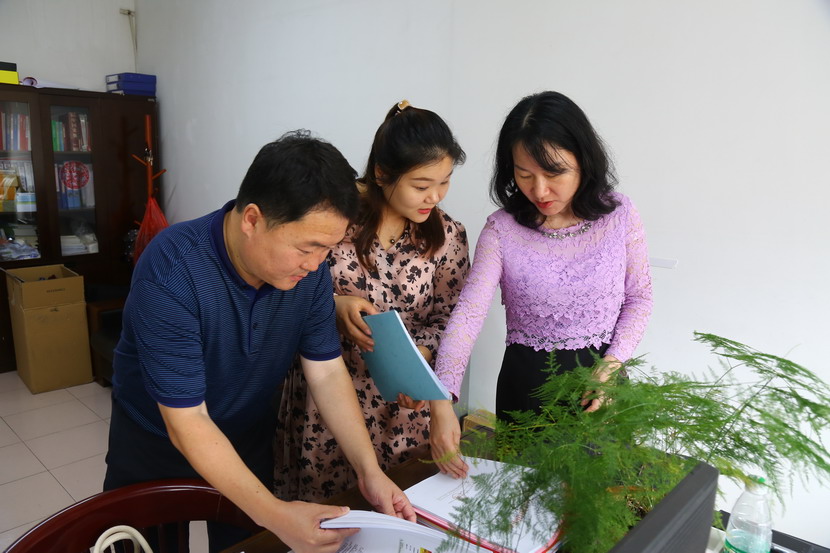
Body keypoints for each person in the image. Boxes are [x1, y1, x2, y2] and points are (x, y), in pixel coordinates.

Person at [104, 131, 415, 553]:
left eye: (327, 249)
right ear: (252, 219)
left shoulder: (308, 276)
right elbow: (188, 421)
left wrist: (368, 470)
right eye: (307, 247)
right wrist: (277, 514)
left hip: (245, 433)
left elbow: (326, 372)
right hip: (155, 440)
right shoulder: (172, 270)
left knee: (246, 544)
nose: (316, 264)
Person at [429, 91, 653, 478]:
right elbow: (468, 315)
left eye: (554, 173)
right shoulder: (501, 230)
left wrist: (611, 365)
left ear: (584, 160)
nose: (540, 190)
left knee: (602, 500)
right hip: (527, 393)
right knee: (523, 502)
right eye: (524, 174)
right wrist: (441, 399)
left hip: (599, 386)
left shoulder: (619, 215)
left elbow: (639, 298)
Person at [274, 101, 470, 502]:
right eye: (421, 185)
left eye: (445, 182)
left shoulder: (447, 235)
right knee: (332, 513)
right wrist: (333, 305)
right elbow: (284, 283)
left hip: (405, 406)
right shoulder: (336, 218)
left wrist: (418, 362)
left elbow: (452, 320)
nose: (434, 196)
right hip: (327, 397)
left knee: (401, 508)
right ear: (382, 174)